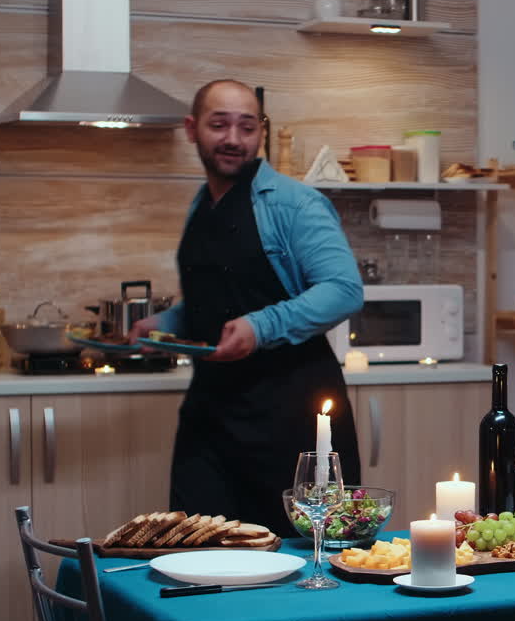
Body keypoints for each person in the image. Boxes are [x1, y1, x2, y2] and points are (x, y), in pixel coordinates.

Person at [130, 79, 363, 536]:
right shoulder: (204, 204)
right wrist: (167, 324)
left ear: (262, 132)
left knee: (294, 561)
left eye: (247, 127)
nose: (234, 139)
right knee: (195, 550)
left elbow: (344, 289)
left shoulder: (296, 205)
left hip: (291, 418)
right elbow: (219, 299)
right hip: (210, 418)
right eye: (219, 125)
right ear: (192, 129)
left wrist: (261, 326)